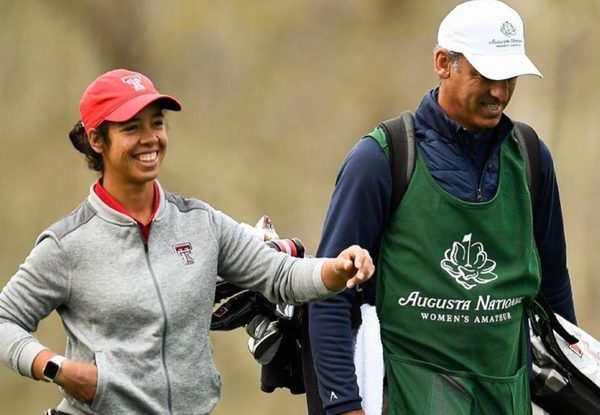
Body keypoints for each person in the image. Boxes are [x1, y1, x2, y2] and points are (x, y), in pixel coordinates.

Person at [0, 68, 375, 415]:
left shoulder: (199, 223)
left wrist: (337, 269)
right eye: (131, 128)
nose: (150, 138)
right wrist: (56, 367)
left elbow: (279, 276)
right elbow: (5, 320)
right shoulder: (67, 244)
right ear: (97, 139)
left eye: (157, 124)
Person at [307, 1, 577, 414]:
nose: (499, 92)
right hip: (409, 396)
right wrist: (343, 405)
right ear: (443, 63)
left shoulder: (531, 159)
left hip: (508, 399)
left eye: (509, 77)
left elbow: (554, 292)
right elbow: (327, 294)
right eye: (485, 75)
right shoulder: (382, 159)